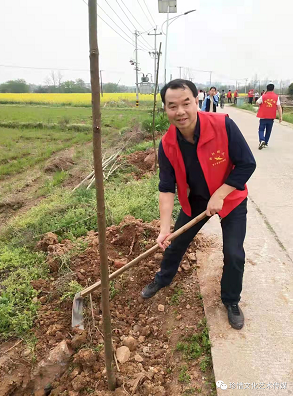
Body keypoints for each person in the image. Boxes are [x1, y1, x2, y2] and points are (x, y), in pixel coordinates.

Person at [141, 79, 256, 330]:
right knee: (175, 241)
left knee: (234, 253)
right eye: (172, 106)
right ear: (165, 109)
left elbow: (247, 163)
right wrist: (164, 228)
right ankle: (163, 278)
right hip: (196, 201)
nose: (180, 111)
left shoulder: (222, 125)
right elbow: (166, 187)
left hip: (230, 198)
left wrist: (222, 193)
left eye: (186, 103)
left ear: (197, 101)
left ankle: (231, 300)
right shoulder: (168, 144)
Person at [256, 83, 282, 150]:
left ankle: (262, 140)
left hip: (263, 116)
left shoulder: (263, 96)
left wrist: (264, 95)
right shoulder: (276, 97)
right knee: (268, 130)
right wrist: (280, 117)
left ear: (267, 89)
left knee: (261, 129)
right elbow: (279, 107)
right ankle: (266, 143)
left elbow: (257, 102)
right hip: (271, 117)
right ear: (273, 89)